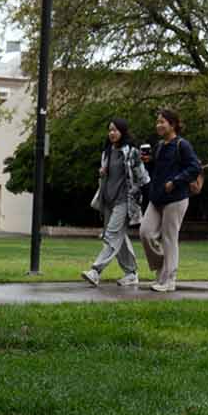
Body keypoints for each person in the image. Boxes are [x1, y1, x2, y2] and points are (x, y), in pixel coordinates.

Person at [137, 108, 201, 293]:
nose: (158, 125)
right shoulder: (159, 146)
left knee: (169, 239)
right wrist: (148, 162)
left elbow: (195, 167)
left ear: (172, 124)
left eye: (162, 122)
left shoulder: (182, 145)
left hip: (176, 198)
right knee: (145, 233)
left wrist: (176, 181)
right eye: (157, 122)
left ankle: (169, 279)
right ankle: (162, 269)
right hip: (157, 198)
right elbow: (157, 171)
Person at [81, 119, 147, 289]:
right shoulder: (108, 151)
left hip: (125, 201)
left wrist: (137, 197)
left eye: (116, 130)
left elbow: (143, 178)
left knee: (110, 235)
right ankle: (131, 273)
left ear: (123, 132)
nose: (112, 133)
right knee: (119, 239)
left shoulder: (131, 152)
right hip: (109, 201)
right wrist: (102, 173)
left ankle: (95, 271)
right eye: (110, 130)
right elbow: (108, 177)